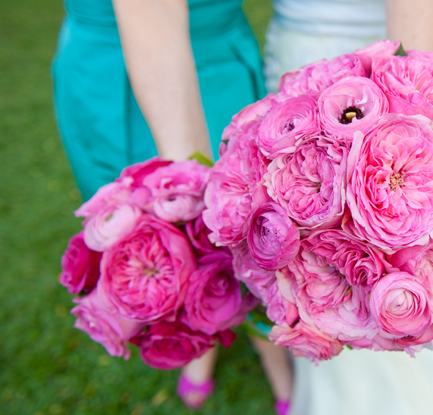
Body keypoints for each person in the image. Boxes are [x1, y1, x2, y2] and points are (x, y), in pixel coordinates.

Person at [262, 1, 433, 414]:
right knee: (313, 255)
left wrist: (412, 124)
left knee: (421, 245)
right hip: (294, 72)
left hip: (395, 67)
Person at [51, 0, 294, 411]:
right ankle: (204, 330)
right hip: (118, 70)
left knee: (248, 220)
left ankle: (264, 341)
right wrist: (186, 186)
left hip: (218, 55)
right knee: (176, 224)